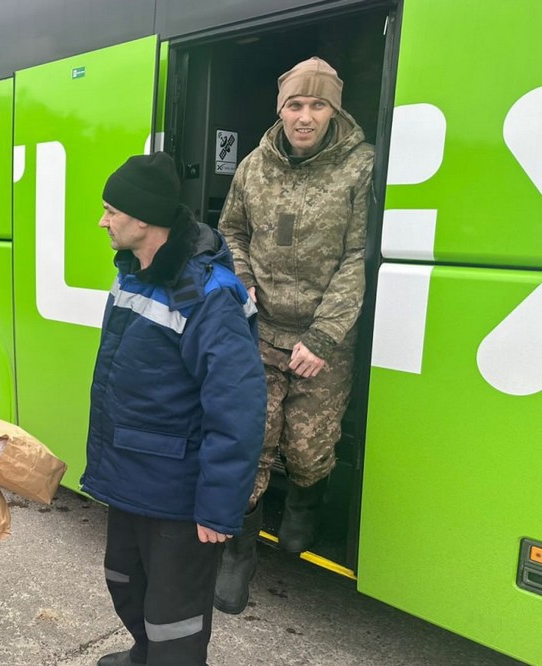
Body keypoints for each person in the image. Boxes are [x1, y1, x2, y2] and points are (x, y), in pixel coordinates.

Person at [82, 152, 266, 666]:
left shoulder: (208, 295)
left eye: (110, 210)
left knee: (175, 621)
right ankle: (145, 655)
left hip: (177, 496)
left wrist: (217, 506)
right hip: (130, 477)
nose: (103, 220)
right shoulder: (132, 272)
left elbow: (239, 409)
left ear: (143, 219)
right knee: (124, 581)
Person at [214, 57, 375, 614]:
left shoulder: (361, 167)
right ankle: (239, 555)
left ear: (335, 109)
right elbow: (231, 230)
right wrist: (242, 284)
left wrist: (324, 337)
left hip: (321, 341)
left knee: (308, 453)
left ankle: (307, 505)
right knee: (252, 444)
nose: (304, 117)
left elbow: (360, 257)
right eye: (295, 105)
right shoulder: (254, 165)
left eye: (317, 105)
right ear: (279, 108)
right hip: (259, 330)